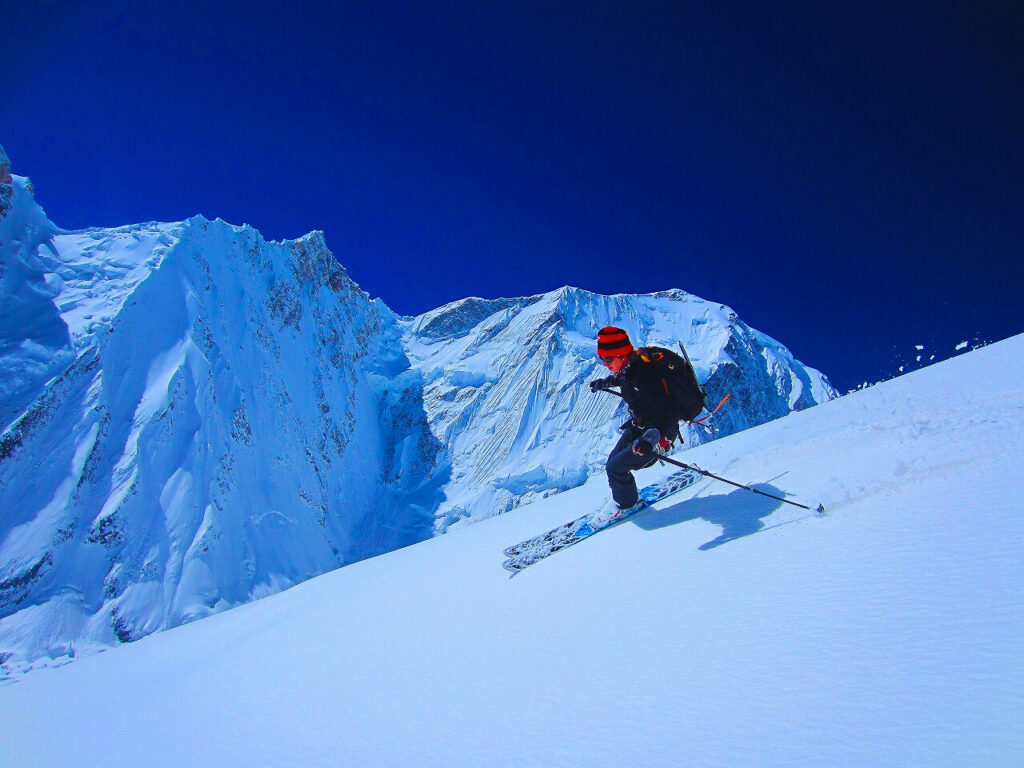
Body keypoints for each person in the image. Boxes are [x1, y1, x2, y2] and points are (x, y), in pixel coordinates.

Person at [590, 326, 681, 512]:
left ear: (622, 355)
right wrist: (604, 383)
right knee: (612, 464)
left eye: (607, 359)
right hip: (640, 426)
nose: (605, 364)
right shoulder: (629, 369)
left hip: (655, 436)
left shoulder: (645, 376)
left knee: (616, 469)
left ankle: (627, 506)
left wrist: (653, 441)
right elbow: (623, 380)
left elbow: (669, 412)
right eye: (602, 359)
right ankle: (627, 497)